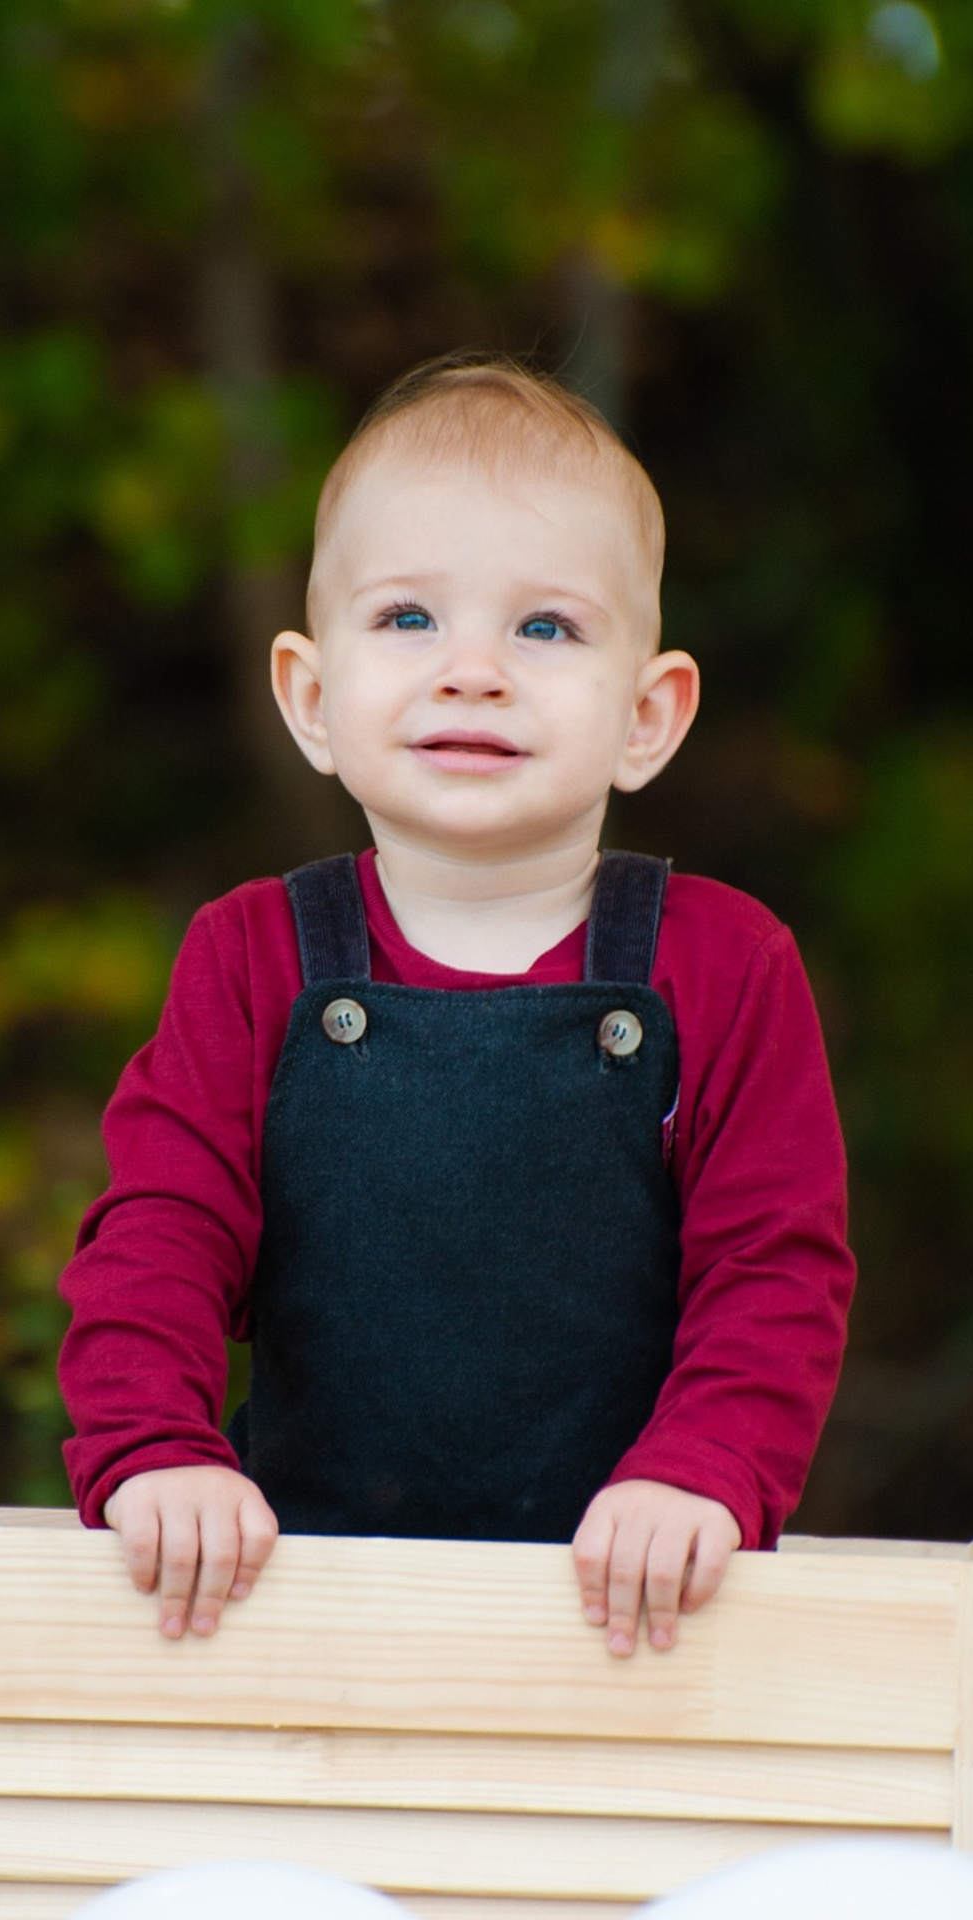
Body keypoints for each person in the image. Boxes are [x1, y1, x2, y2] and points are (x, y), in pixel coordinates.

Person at [58, 352, 854, 1660]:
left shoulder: (726, 966)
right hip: (291, 1606)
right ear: (312, 698)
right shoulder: (249, 958)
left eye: (545, 629)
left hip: (631, 1616)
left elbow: (775, 1268)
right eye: (409, 620)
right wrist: (159, 1453)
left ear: (648, 716)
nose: (473, 670)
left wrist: (701, 1469)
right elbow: (159, 1232)